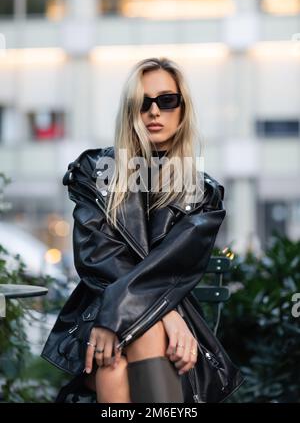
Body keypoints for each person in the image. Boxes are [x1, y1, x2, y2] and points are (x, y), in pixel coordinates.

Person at [41, 57, 244, 403]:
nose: (154, 112)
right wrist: (164, 316)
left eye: (167, 101)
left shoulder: (202, 193)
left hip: (134, 324)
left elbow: (174, 268)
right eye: (143, 102)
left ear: (182, 110)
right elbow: (97, 256)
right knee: (133, 341)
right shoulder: (96, 171)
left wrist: (123, 316)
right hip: (114, 315)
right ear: (130, 110)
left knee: (120, 357)